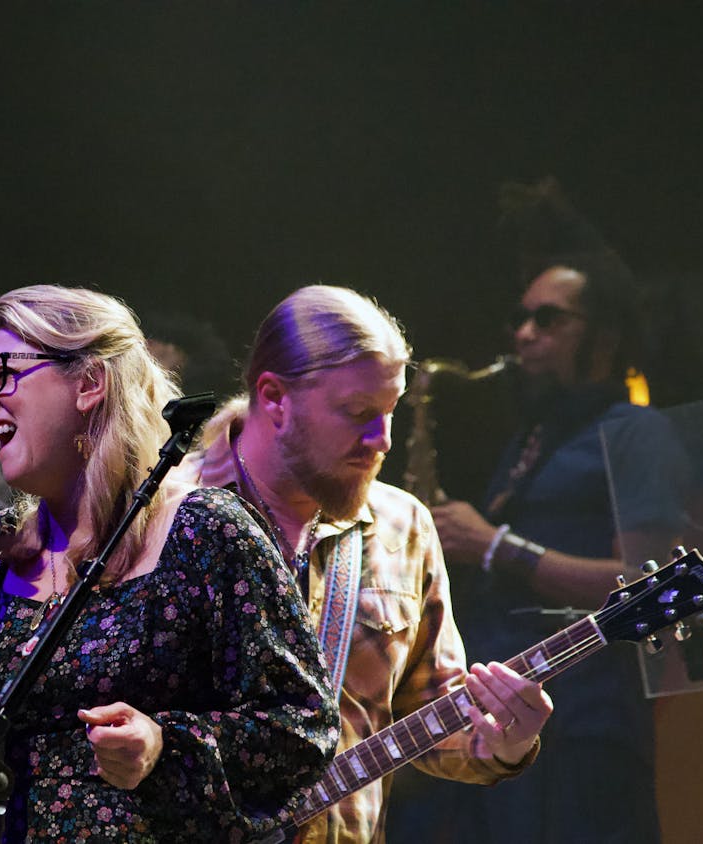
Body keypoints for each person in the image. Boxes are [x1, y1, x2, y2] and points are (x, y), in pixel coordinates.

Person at [0, 284, 339, 842]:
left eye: (2, 377)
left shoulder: (206, 532)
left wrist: (164, 745)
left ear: (90, 382)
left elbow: (303, 727)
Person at [175, 284, 554, 843]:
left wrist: (503, 740)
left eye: (390, 411)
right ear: (275, 397)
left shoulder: (403, 526)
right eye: (357, 413)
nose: (382, 440)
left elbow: (429, 709)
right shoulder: (163, 514)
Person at [387, 180, 685, 843]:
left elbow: (653, 582)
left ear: (603, 335)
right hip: (498, 725)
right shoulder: (534, 439)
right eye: (520, 319)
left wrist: (495, 548)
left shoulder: (635, 432)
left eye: (548, 321)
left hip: (584, 728)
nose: (523, 335)